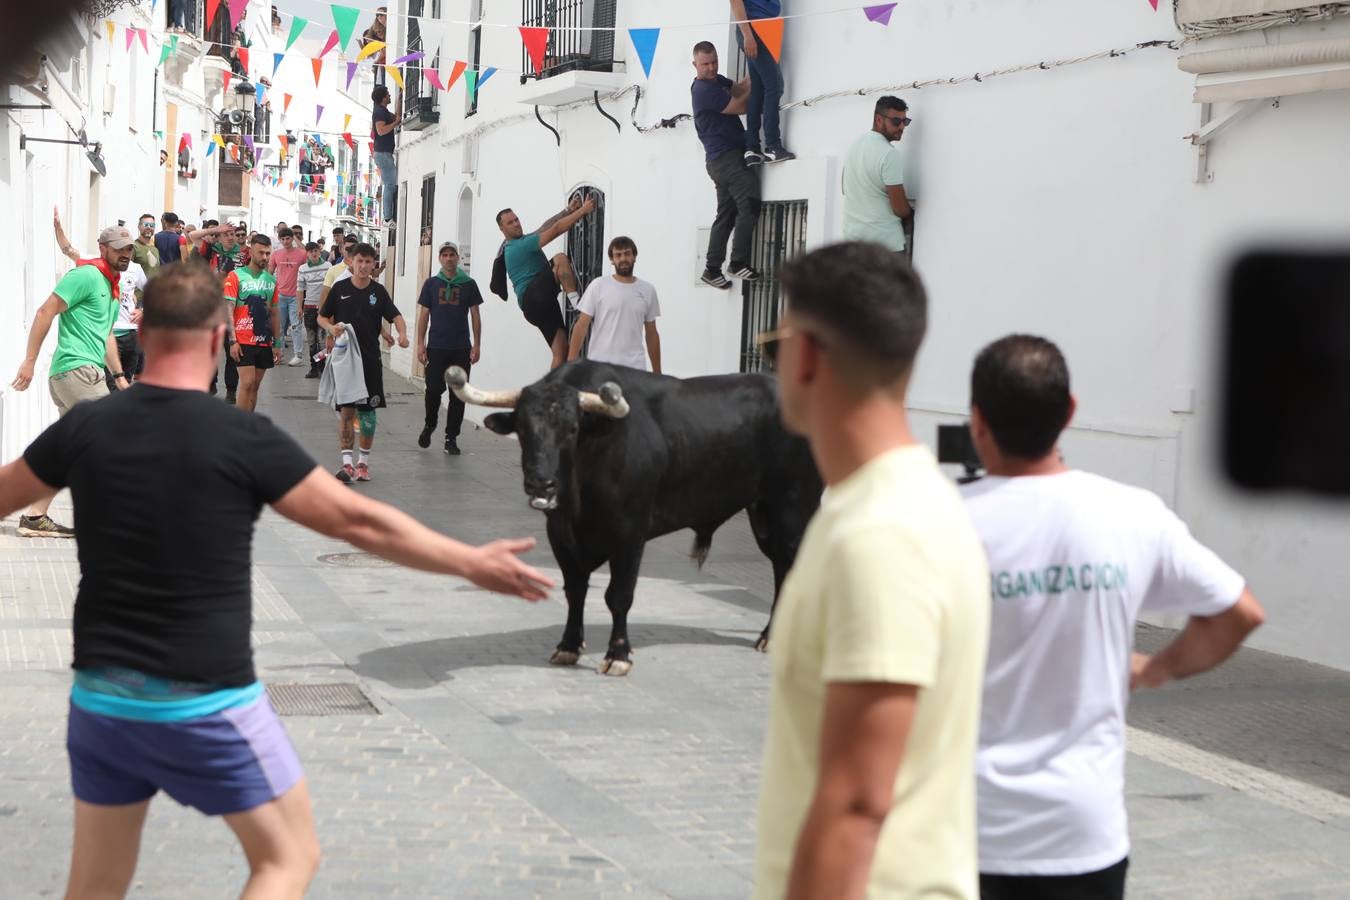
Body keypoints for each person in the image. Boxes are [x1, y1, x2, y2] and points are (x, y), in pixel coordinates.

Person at [0, 261, 552, 900]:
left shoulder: (85, 427)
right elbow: (357, 521)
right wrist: (468, 562)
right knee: (287, 858)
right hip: (208, 701)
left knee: (96, 887)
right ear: (219, 338)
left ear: (142, 333)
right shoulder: (241, 436)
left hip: (104, 701)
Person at [961, 334, 1267, 900]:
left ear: (977, 420)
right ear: (1069, 411)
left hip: (966, 835)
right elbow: (1239, 611)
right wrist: (1155, 669)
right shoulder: (1131, 514)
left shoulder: (942, 523)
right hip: (1085, 837)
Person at [751, 241, 989, 899]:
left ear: (806, 355)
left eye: (773, 345)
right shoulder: (891, 504)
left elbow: (857, 804)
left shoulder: (882, 532)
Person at [10, 226, 137, 538]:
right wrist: (29, 360)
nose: (125, 254)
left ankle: (34, 517)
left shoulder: (110, 284)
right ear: (103, 248)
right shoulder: (86, 276)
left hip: (82, 373)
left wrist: (119, 377)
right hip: (78, 372)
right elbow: (45, 311)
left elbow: (105, 334)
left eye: (129, 249)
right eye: (119, 248)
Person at [318, 243, 409, 483]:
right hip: (346, 361)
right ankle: (347, 464)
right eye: (360, 261)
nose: (364, 266)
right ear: (351, 261)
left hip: (370, 361)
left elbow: (395, 316)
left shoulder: (378, 291)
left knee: (368, 414)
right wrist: (331, 329)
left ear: (373, 264)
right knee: (347, 412)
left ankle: (363, 464)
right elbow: (322, 317)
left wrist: (402, 334)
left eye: (369, 262)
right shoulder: (339, 289)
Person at [691, 41, 762, 289]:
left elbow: (740, 88)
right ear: (695, 65)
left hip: (718, 161)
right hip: (727, 159)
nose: (711, 68)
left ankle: (712, 269)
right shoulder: (703, 90)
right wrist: (760, 84)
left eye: (714, 62)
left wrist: (757, 67)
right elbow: (741, 106)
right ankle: (737, 262)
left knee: (727, 214)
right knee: (750, 204)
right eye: (705, 64)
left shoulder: (716, 81)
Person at [496, 196, 595, 370]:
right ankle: (578, 307)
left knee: (561, 352)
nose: (516, 224)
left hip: (535, 307)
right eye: (510, 223)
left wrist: (568, 210)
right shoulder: (519, 246)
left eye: (516, 219)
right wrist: (583, 210)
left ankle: (552, 387)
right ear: (502, 229)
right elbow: (555, 229)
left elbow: (545, 227)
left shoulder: (521, 242)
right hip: (534, 296)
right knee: (560, 259)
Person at [416, 242, 482, 455]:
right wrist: (420, 343)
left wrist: (477, 344)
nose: (448, 258)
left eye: (452, 254)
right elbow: (424, 315)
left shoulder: (469, 284)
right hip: (436, 346)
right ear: (439, 259)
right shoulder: (431, 284)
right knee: (433, 390)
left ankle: (451, 437)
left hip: (461, 348)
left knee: (458, 395)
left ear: (457, 258)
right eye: (444, 255)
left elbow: (475, 315)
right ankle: (430, 424)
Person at [567, 236, 661, 374]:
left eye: (627, 253)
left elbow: (651, 333)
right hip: (600, 368)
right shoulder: (598, 286)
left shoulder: (648, 290)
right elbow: (581, 326)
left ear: (634, 256)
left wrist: (658, 374)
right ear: (612, 259)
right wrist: (570, 365)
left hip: (635, 370)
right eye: (618, 255)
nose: (623, 258)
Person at [842, 96, 914, 253]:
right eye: (896, 121)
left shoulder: (854, 146)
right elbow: (900, 209)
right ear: (879, 120)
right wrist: (911, 213)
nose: (902, 126)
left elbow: (845, 189)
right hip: (885, 247)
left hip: (853, 245)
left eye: (905, 121)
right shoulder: (889, 154)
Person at [730, 0, 794, 165]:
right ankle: (773, 145)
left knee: (757, 90)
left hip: (766, 27)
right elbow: (735, 2)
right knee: (775, 86)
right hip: (754, 29)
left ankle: (752, 148)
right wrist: (747, 35)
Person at [225, 234, 283, 412]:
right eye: (261, 253)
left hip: (264, 339)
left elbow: (274, 313)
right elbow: (228, 310)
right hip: (242, 339)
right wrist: (232, 341)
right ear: (251, 252)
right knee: (247, 383)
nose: (265, 257)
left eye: (268, 253)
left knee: (255, 386)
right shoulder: (235, 276)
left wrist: (277, 343)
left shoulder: (271, 280)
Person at [268, 228, 309, 366]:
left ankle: (298, 356)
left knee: (296, 326)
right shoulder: (276, 254)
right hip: (280, 295)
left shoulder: (301, 253)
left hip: (296, 296)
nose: (285, 241)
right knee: (279, 327)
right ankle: (279, 354)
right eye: (283, 239)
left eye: (288, 238)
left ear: (292, 238)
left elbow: (309, 261)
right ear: (279, 240)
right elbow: (269, 273)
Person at [297, 242, 332, 380]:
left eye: (316, 250)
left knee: (322, 341)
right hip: (309, 308)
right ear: (307, 253)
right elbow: (300, 289)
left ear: (320, 251)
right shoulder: (303, 269)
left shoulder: (328, 266)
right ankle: (314, 368)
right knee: (312, 342)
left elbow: (332, 287)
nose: (314, 253)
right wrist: (299, 307)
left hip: (324, 309)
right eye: (311, 251)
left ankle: (322, 367)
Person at [371, 85, 401, 224]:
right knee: (389, 185)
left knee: (390, 185)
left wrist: (399, 98)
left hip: (384, 153)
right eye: (388, 94)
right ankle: (388, 218)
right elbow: (381, 130)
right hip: (383, 153)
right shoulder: (379, 112)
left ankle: (388, 216)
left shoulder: (384, 111)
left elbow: (397, 118)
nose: (389, 96)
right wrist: (395, 124)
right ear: (383, 97)